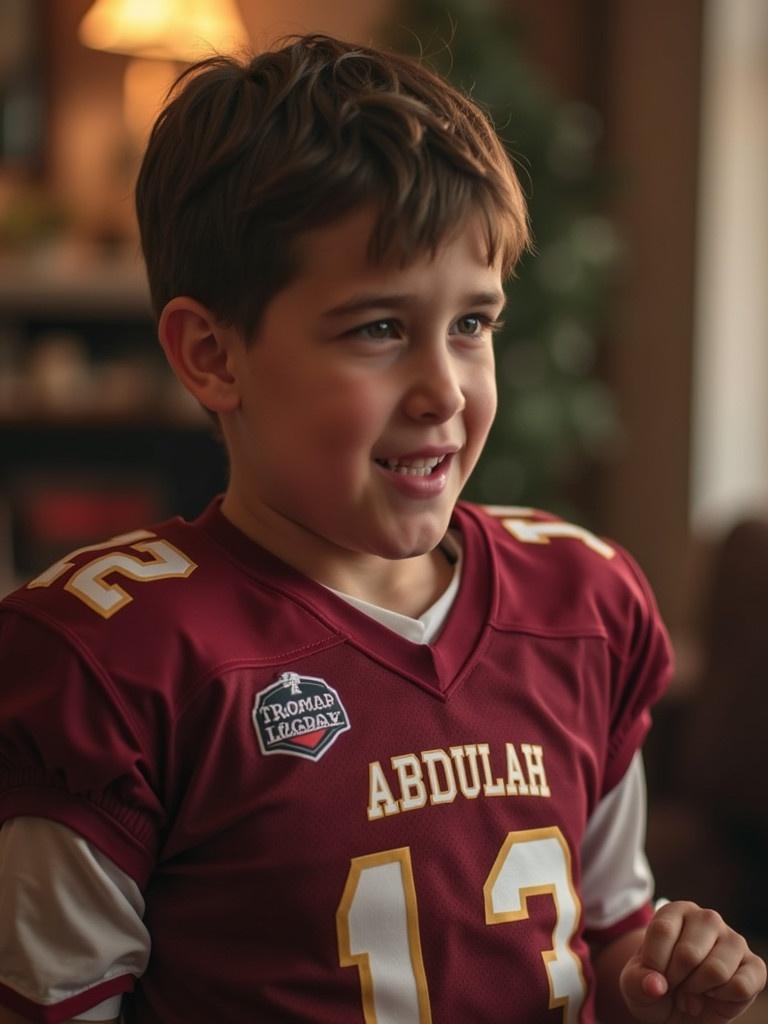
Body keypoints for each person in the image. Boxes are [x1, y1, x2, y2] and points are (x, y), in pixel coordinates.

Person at [0, 33, 763, 1024]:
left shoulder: (581, 603)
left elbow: (602, 943)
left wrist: (668, 985)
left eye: (472, 324)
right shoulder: (114, 658)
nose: (444, 390)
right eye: (378, 328)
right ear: (212, 354)